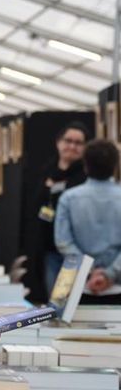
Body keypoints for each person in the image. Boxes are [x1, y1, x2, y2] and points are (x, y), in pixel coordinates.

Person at [55, 139, 121, 304]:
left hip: (78, 286)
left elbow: (63, 242)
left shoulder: (68, 198)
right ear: (115, 165)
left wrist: (89, 271)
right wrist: (109, 274)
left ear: (85, 164)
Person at [36, 122, 88, 296]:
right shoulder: (46, 170)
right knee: (54, 300)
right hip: (49, 248)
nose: (72, 146)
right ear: (59, 142)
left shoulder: (86, 176)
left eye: (78, 143)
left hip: (76, 250)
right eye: (68, 141)